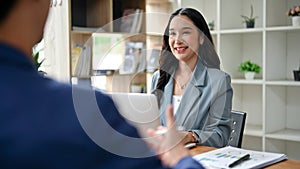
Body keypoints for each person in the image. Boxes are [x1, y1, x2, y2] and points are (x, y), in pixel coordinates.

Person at [0, 1, 204, 168]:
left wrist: (186, 136)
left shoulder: (216, 81)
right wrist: (180, 159)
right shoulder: (84, 113)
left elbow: (220, 132)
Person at [150, 8, 233, 148]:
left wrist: (190, 136)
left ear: (201, 38)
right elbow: (151, 124)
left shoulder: (219, 81)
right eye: (172, 34)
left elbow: (221, 136)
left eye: (186, 32)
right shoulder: (158, 78)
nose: (177, 40)